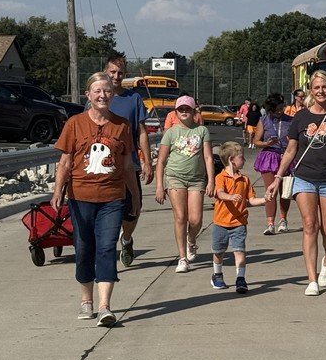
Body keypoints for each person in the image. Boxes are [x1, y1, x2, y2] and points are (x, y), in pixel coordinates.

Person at [51, 72, 140, 326]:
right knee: (84, 249)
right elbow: (65, 162)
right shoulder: (75, 123)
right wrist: (58, 191)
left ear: (113, 95)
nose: (103, 95)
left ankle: (104, 307)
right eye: (97, 91)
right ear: (87, 95)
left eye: (108, 91)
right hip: (80, 198)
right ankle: (86, 300)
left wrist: (134, 195)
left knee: (106, 248)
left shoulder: (122, 125)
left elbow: (126, 165)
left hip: (113, 198)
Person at [266, 70, 326, 296]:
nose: (321, 91)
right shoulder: (301, 117)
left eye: (324, 87)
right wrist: (277, 177)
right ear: (310, 91)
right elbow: (291, 150)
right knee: (309, 226)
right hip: (304, 177)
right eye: (316, 88)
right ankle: (312, 279)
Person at [154, 95, 215, 272]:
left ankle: (191, 239)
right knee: (180, 216)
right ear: (176, 112)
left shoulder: (202, 131)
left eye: (188, 109)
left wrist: (211, 180)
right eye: (181, 109)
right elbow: (161, 161)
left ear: (194, 111)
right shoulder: (171, 133)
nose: (184, 112)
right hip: (175, 178)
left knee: (196, 219)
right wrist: (159, 185)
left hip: (196, 179)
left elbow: (208, 157)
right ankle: (182, 258)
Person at [104, 55, 152, 268]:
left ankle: (127, 239)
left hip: (129, 163)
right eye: (112, 72)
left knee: (134, 208)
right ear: (106, 72)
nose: (116, 76)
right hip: (102, 166)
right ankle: (106, 251)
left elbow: (142, 132)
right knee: (106, 210)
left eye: (120, 73)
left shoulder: (134, 99)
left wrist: (147, 162)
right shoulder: (98, 98)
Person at [211, 141, 269, 293]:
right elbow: (220, 193)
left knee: (240, 251)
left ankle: (240, 279)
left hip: (239, 223)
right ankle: (217, 275)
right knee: (219, 252)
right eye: (241, 158)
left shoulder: (245, 180)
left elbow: (250, 200)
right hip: (220, 222)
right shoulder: (220, 177)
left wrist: (264, 200)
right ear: (231, 160)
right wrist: (230, 197)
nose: (244, 160)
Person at [253, 93, 293, 235]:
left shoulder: (291, 120)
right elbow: (256, 141)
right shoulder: (263, 120)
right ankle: (270, 223)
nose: (280, 111)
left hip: (286, 156)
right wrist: (266, 143)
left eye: (282, 108)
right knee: (270, 191)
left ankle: (283, 220)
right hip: (269, 156)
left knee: (285, 191)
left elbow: (296, 140)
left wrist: (290, 142)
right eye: (276, 109)